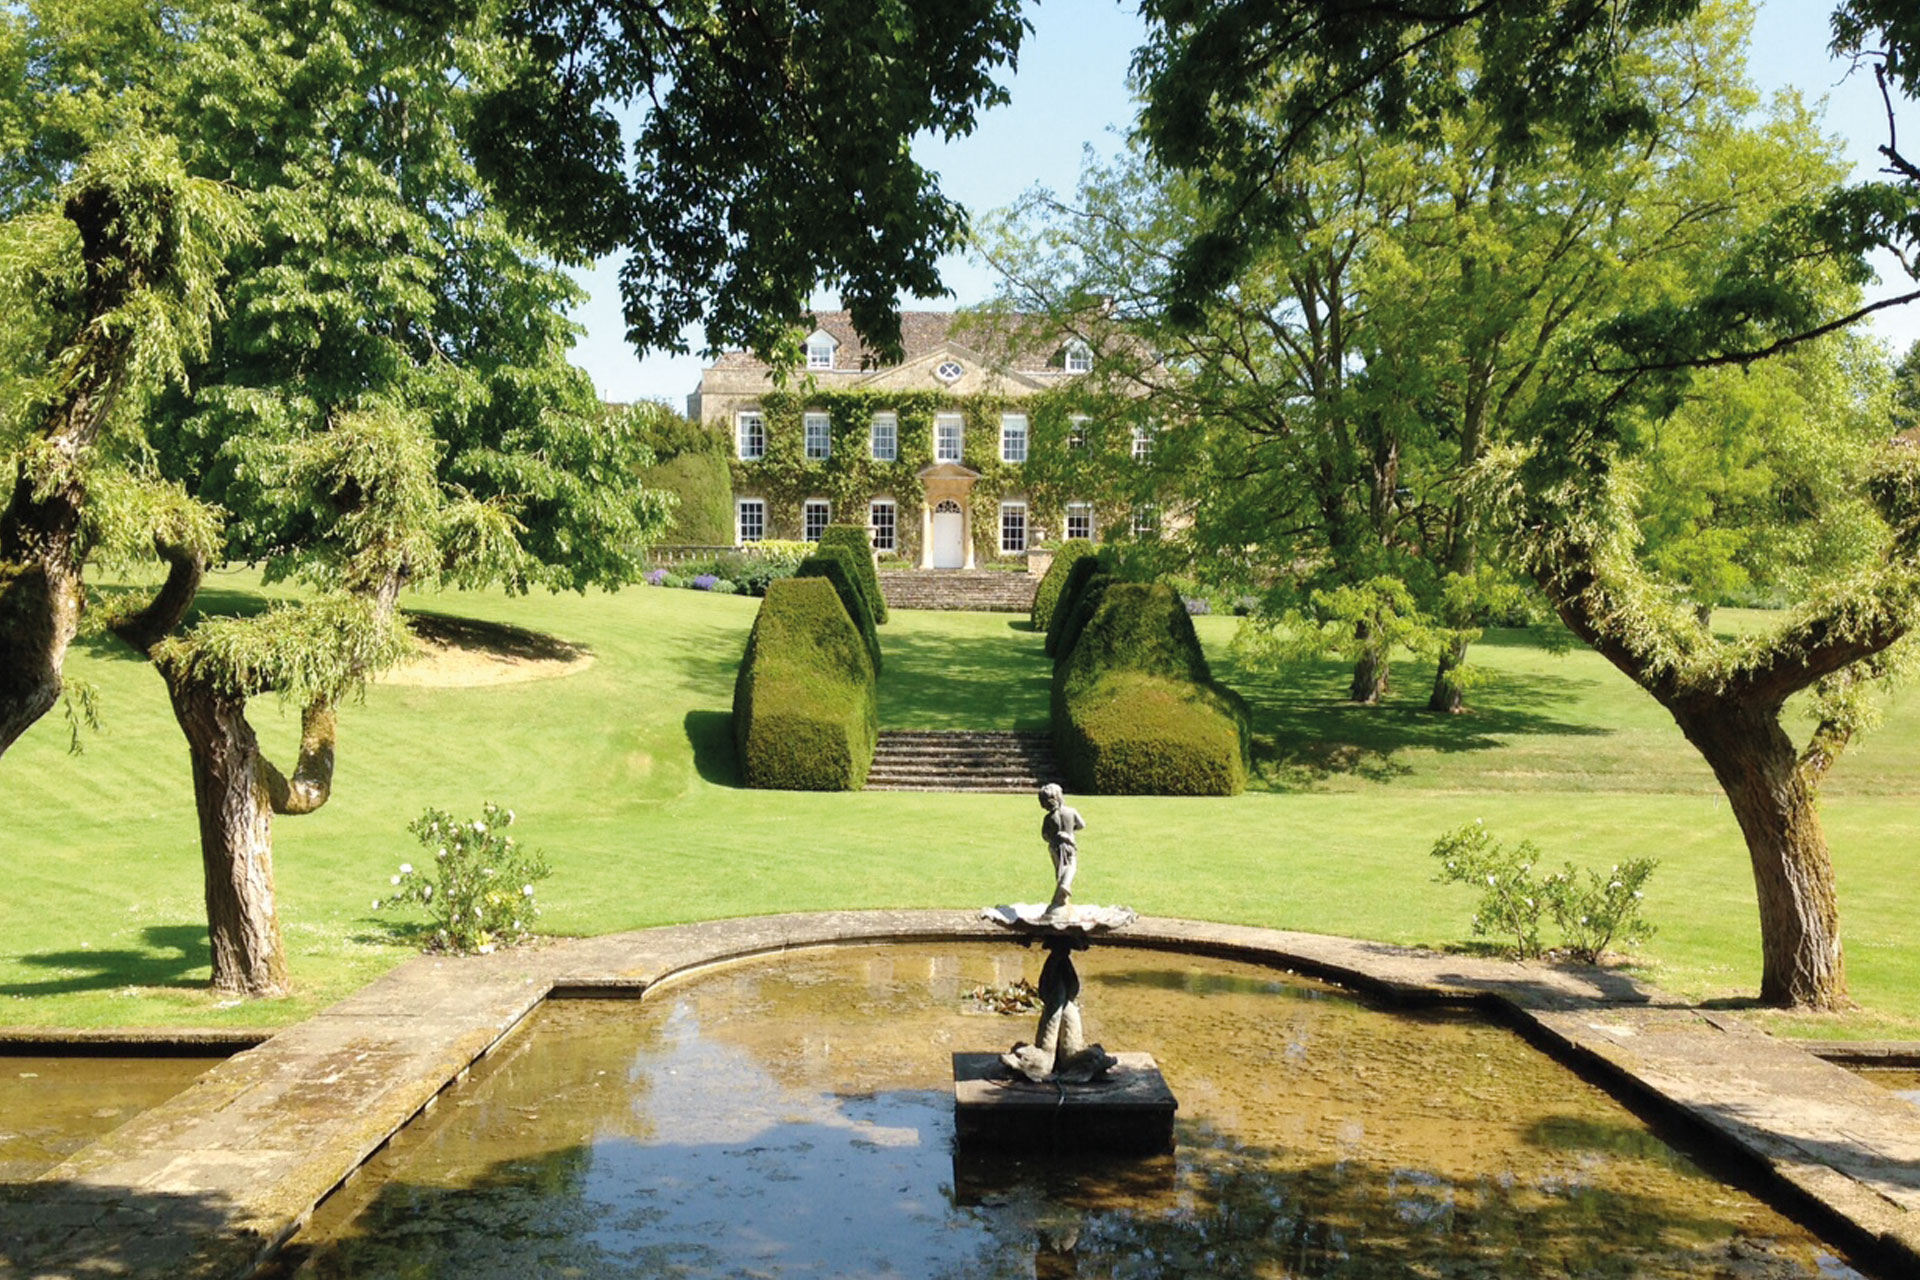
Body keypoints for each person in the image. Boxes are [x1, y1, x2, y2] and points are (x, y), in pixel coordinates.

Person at [1038, 783, 1084, 914]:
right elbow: (1081, 825)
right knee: (1071, 865)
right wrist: (1069, 832)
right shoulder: (1071, 811)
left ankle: (1061, 897)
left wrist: (1055, 836)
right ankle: (1064, 890)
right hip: (1069, 844)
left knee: (1059, 870)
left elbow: (1045, 836)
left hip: (1054, 846)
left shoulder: (1049, 818)